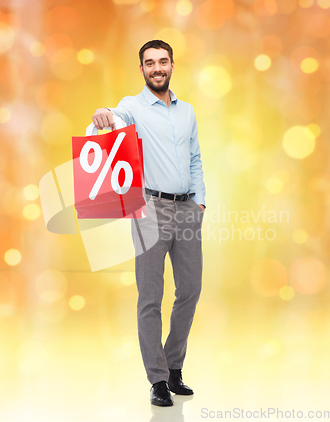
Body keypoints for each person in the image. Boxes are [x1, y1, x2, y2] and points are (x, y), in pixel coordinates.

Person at [92, 40, 206, 407]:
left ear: (173, 65)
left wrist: (200, 201)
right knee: (150, 297)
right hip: (150, 209)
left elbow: (195, 157)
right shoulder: (132, 107)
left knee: (189, 290)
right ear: (141, 69)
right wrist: (102, 114)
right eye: (149, 63)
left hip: (187, 209)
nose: (157, 68)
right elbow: (113, 120)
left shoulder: (187, 111)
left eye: (162, 61)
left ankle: (174, 368)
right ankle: (157, 379)